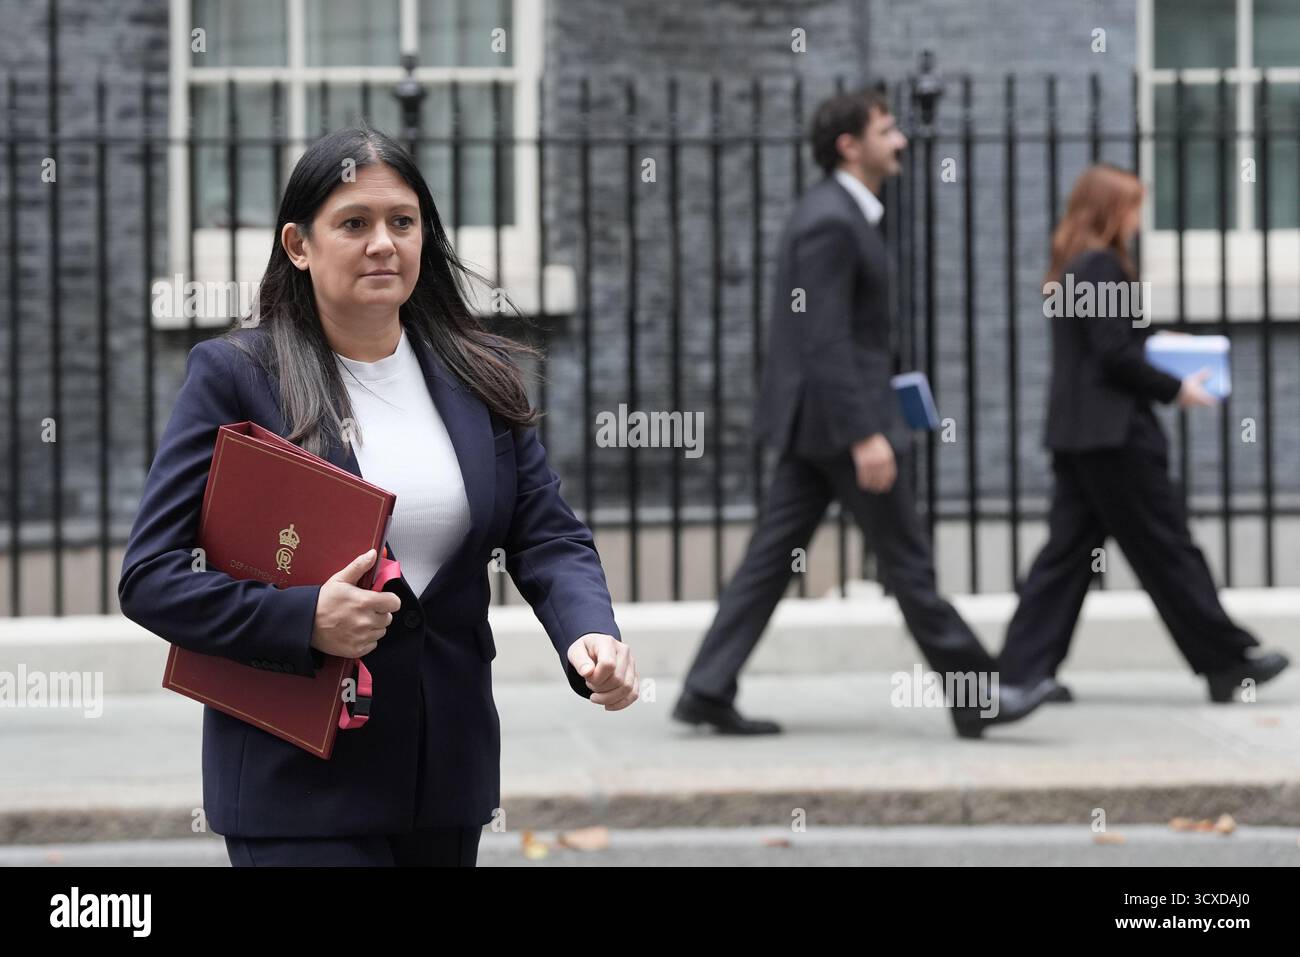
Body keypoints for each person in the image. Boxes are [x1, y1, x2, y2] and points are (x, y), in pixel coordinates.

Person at [117, 125, 638, 867]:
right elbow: (150, 578)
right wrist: (303, 619)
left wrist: (589, 631)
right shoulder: (235, 375)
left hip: (444, 779)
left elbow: (545, 532)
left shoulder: (479, 374)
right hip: (297, 784)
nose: (383, 243)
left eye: (402, 222)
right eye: (354, 223)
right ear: (298, 244)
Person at [672, 87, 1053, 740]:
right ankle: (977, 696)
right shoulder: (832, 220)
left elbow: (855, 333)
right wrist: (866, 434)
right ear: (851, 145)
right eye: (886, 130)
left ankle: (706, 686)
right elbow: (823, 338)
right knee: (908, 563)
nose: (901, 139)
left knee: (770, 561)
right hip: (840, 428)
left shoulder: (845, 213)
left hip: (816, 427)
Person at [997, 163, 1288, 703]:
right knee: (1167, 548)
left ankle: (1020, 672)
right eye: (1132, 207)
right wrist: (1176, 389)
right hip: (1114, 439)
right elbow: (1114, 355)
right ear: (1110, 210)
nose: (1137, 219)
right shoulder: (1102, 264)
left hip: (1078, 436)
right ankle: (1227, 662)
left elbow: (1107, 339)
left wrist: (1157, 334)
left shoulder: (1073, 266)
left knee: (1066, 557)